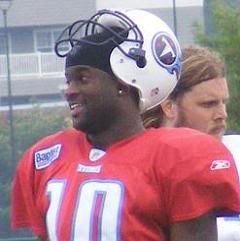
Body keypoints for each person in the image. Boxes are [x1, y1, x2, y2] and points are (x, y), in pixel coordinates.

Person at [11, 9, 240, 241]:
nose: (70, 91)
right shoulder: (46, 158)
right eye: (68, 80)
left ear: (122, 83)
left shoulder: (179, 158)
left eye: (83, 78)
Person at [143, 46, 240, 241]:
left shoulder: (236, 149)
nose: (222, 115)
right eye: (208, 104)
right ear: (169, 106)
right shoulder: (141, 167)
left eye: (224, 103)